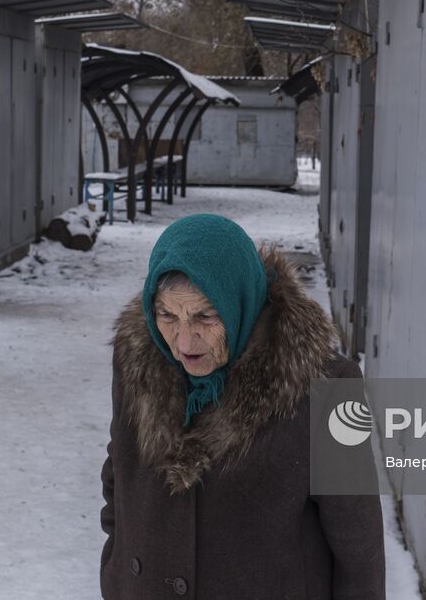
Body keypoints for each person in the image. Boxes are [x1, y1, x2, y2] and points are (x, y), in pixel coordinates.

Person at [100, 213, 385, 599]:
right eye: (167, 315)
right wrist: (117, 565)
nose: (185, 341)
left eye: (206, 316)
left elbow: (359, 548)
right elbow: (120, 467)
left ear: (239, 302)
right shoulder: (138, 356)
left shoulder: (326, 389)